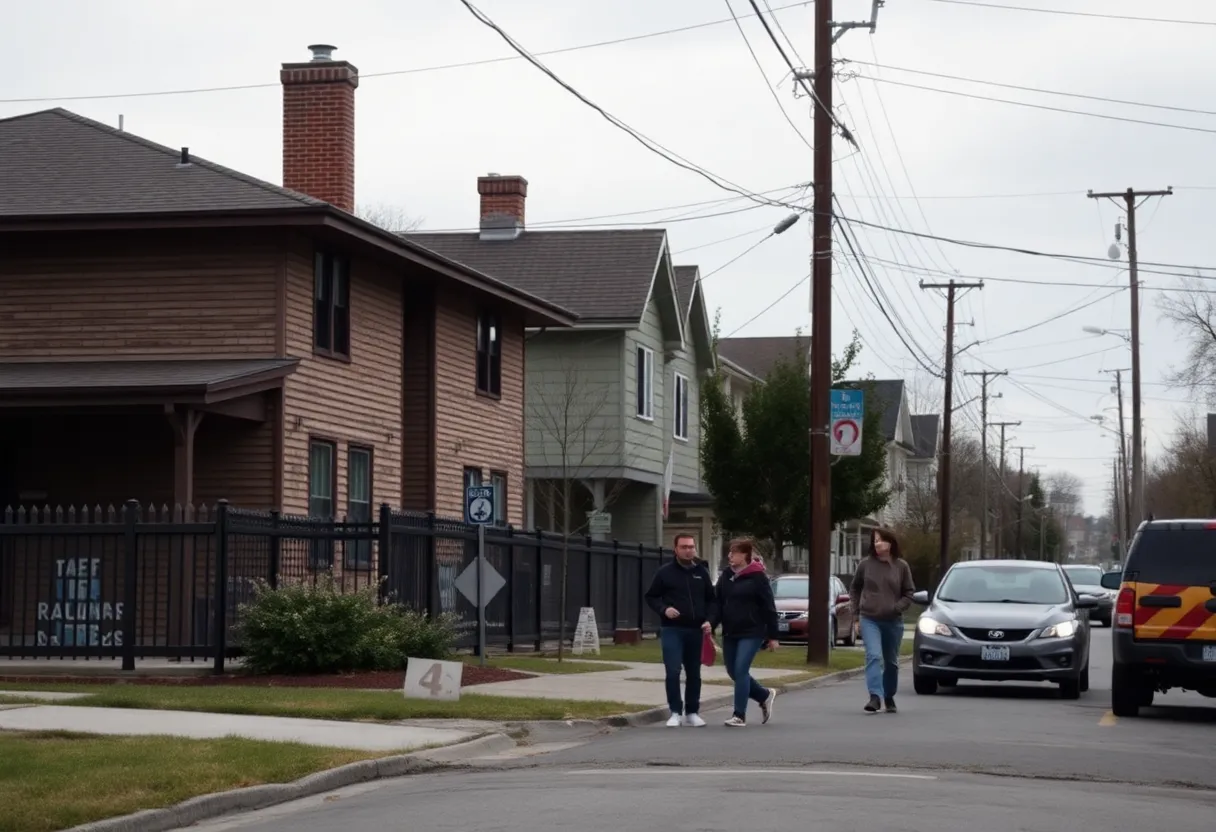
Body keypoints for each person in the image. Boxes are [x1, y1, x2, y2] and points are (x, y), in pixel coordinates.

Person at [644, 533, 717, 727]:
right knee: (673, 670)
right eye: (684, 547)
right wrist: (664, 609)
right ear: (675, 549)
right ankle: (675, 711)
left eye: (691, 547)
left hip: (696, 630)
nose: (688, 550)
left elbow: (712, 600)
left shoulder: (701, 572)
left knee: (694, 672)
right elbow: (651, 597)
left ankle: (692, 712)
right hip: (672, 629)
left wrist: (709, 620)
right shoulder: (664, 572)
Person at [712, 538, 779, 728]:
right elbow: (718, 603)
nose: (730, 556)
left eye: (734, 552)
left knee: (741, 670)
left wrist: (773, 636)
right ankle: (764, 695)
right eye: (729, 552)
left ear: (745, 555)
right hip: (730, 631)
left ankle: (739, 715)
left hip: (753, 631)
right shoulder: (726, 575)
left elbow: (769, 607)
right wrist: (711, 623)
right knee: (733, 671)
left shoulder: (758, 577)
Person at [850, 527, 916, 714]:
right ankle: (875, 697)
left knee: (891, 662)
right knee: (873, 655)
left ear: (890, 542)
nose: (876, 543)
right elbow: (854, 589)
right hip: (869, 618)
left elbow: (909, 593)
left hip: (893, 621)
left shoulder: (901, 566)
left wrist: (897, 607)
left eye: (880, 540)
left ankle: (889, 695)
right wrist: (855, 614)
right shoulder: (865, 565)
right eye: (874, 540)